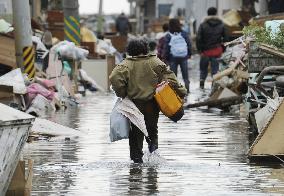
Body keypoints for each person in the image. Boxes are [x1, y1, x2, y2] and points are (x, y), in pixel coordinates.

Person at [109, 38, 187, 163]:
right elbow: (171, 81)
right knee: (152, 130)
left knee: (136, 133)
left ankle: (136, 163)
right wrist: (182, 92)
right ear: (145, 49)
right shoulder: (155, 62)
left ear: (130, 50)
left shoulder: (124, 65)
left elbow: (114, 79)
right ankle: (153, 158)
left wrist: (122, 94)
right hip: (152, 104)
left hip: (134, 105)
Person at [196, 7, 228, 89]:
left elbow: (198, 38)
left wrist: (200, 49)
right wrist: (223, 48)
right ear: (216, 13)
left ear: (207, 13)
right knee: (215, 69)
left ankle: (202, 82)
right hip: (217, 50)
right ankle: (213, 85)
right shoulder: (221, 24)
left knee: (203, 68)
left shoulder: (203, 24)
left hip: (205, 51)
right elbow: (226, 38)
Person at [163, 18, 191, 94]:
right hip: (183, 57)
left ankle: (175, 92)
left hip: (173, 58)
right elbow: (189, 44)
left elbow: (166, 48)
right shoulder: (184, 33)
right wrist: (189, 54)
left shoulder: (168, 35)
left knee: (173, 77)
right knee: (185, 76)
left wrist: (166, 58)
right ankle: (187, 90)